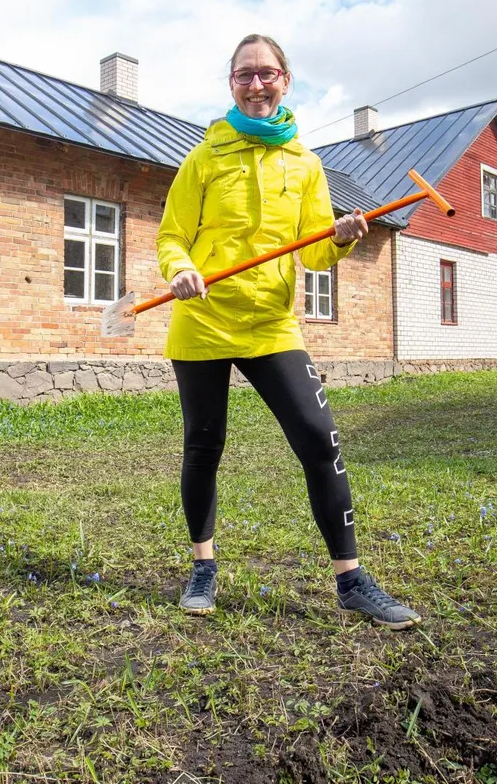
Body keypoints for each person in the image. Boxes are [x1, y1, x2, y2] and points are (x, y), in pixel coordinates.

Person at [155, 33, 422, 629]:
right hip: (202, 321)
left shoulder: (306, 164)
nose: (256, 83)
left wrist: (341, 238)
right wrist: (181, 269)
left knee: (317, 436)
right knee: (204, 444)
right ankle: (203, 567)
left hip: (272, 323)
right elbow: (171, 235)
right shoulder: (204, 158)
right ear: (231, 84)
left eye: (266, 73)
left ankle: (351, 580)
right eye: (244, 74)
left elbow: (317, 255)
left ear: (286, 80)